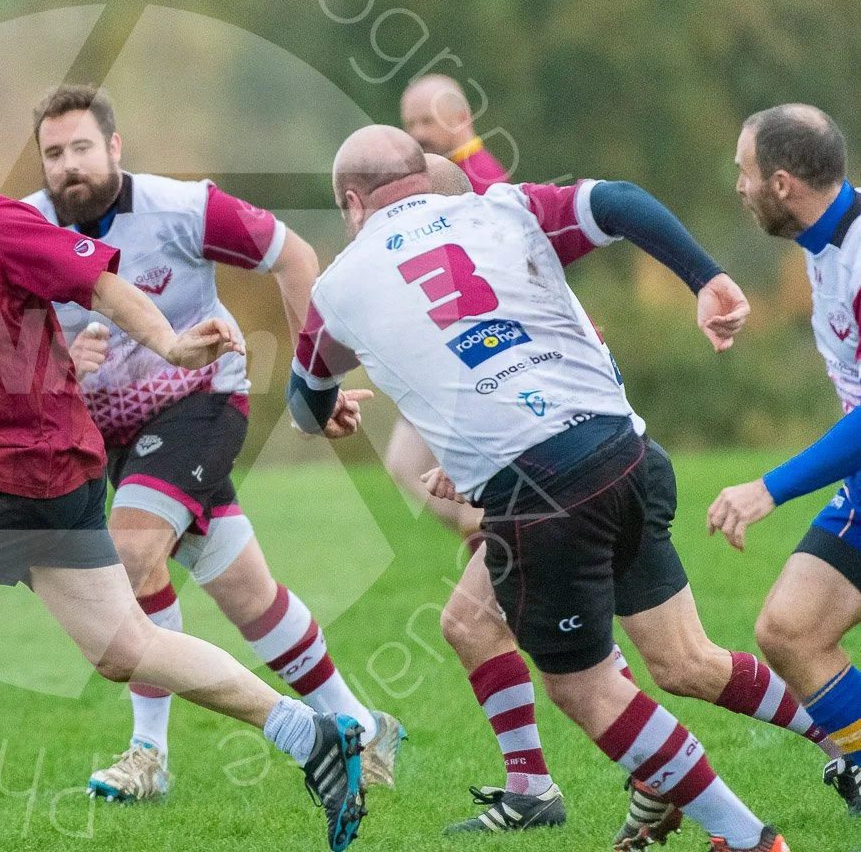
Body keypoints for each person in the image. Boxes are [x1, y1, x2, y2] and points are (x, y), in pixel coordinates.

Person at [0, 98, 368, 852]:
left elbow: (103, 288)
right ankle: (313, 735)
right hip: (50, 478)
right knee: (128, 649)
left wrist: (173, 345)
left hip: (4, 477)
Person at [288, 124, 793, 852]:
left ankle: (747, 839)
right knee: (679, 660)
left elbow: (306, 400)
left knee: (583, 687)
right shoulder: (503, 207)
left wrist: (329, 409)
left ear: (351, 201)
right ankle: (837, 742)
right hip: (628, 452)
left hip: (544, 493)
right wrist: (706, 277)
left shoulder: (338, 284)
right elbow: (617, 200)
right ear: (421, 178)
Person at [411, 156, 850, 841]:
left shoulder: (473, 273)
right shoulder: (489, 264)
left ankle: (642, 795)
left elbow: (546, 379)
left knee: (500, 637)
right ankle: (838, 747)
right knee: (685, 664)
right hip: (613, 471)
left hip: (570, 488)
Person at [18, 85, 403, 803]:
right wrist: (59, 368)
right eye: (52, 153)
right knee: (248, 596)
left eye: (81, 148)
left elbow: (294, 255)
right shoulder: (28, 229)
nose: (68, 165)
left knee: (130, 554)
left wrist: (313, 382)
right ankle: (359, 723)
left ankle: (149, 755)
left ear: (114, 148)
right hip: (109, 436)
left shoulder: (181, 209)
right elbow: (5, 345)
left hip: (200, 403)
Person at [710, 103, 861, 810]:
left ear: (780, 184)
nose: (735, 187)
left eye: (742, 173)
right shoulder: (824, 238)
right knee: (790, 629)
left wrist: (770, 487)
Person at [393, 75, 511, 542]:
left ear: (462, 118)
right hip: (440, 355)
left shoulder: (480, 179)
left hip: (478, 356)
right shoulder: (427, 180)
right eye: (409, 123)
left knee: (472, 506)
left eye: (428, 120)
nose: (417, 133)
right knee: (405, 463)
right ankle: (494, 544)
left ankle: (500, 556)